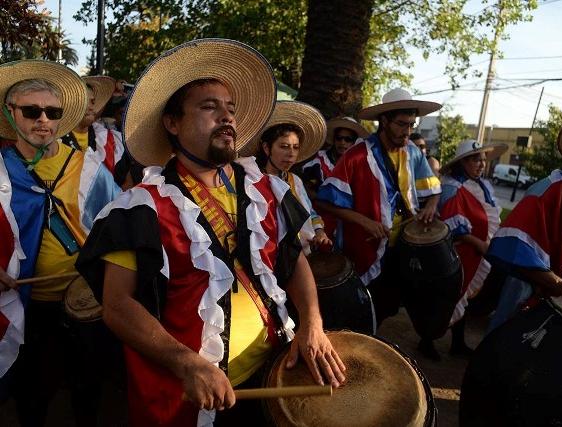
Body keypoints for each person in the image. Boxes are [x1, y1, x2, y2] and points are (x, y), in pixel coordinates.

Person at [76, 39, 345, 427]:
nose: (227, 118)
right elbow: (118, 305)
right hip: (190, 390)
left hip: (273, 373)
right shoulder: (138, 207)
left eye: (231, 109)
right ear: (172, 123)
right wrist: (186, 363)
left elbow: (294, 261)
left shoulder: (266, 189)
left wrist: (312, 324)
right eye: (209, 107)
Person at [0, 60, 119, 426]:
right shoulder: (0, 170)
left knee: (88, 386)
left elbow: (118, 225)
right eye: (32, 111)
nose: (43, 120)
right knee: (31, 390)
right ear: (11, 113)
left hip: (84, 301)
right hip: (24, 303)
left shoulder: (89, 168)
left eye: (52, 112)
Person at [317, 88, 442, 328]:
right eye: (401, 124)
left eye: (411, 125)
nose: (407, 131)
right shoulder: (356, 155)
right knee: (360, 304)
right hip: (363, 248)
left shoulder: (413, 153)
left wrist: (431, 206)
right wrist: (365, 222)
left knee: (388, 303)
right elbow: (325, 201)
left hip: (401, 246)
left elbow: (433, 191)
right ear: (384, 121)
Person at [485, 121, 562, 332]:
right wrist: (559, 285)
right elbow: (513, 246)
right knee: (506, 346)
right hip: (537, 303)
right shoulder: (549, 190)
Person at [435, 139, 507, 358]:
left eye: (483, 160)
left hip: (478, 253)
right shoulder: (451, 186)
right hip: (457, 253)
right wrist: (480, 245)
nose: (481, 164)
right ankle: (426, 341)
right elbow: (451, 225)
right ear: (463, 162)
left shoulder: (482, 185)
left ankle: (457, 343)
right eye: (476, 159)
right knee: (448, 296)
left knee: (463, 297)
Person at [241, 100, 333, 253]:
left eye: (295, 147)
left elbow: (310, 212)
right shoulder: (251, 180)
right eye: (284, 146)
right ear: (266, 148)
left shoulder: (294, 181)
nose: (291, 154)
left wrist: (319, 232)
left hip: (302, 254)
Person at [61, 75, 131, 188]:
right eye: (82, 101)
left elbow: (125, 184)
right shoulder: (54, 142)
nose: (90, 107)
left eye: (92, 101)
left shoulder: (112, 141)